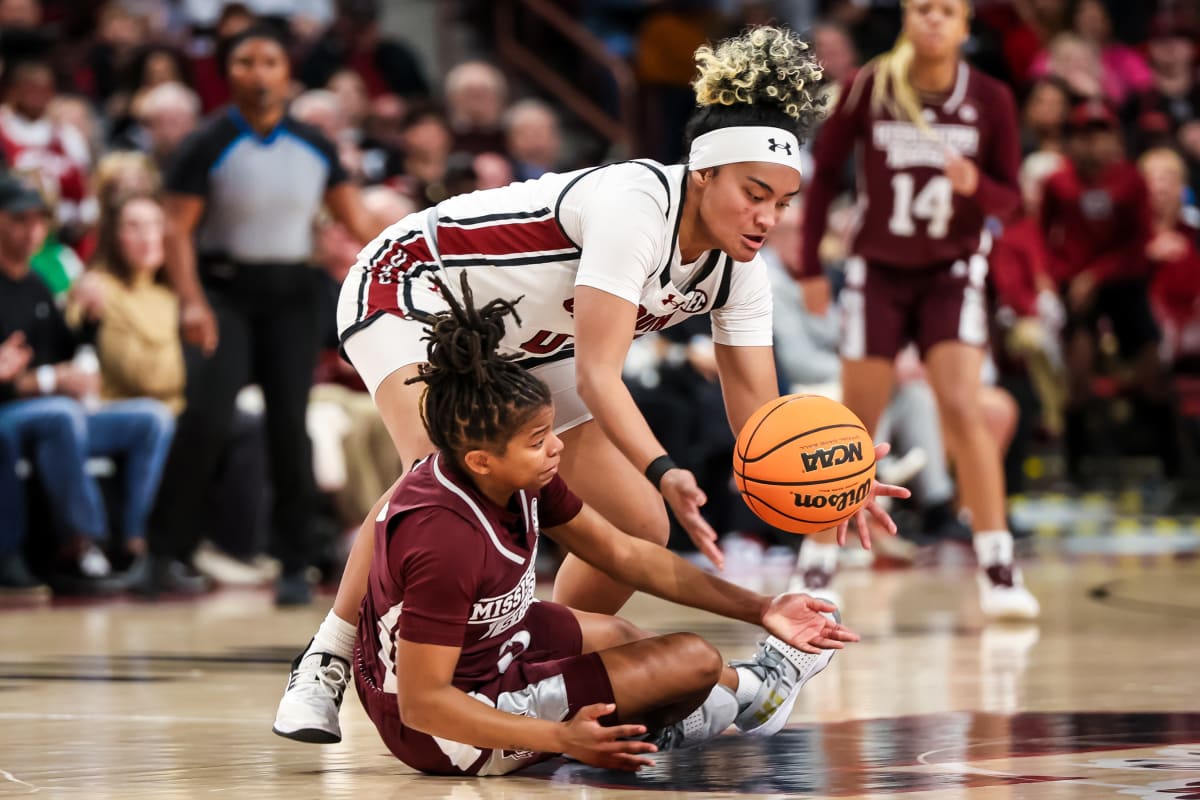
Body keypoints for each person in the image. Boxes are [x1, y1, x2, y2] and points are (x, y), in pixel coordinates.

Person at [273, 25, 908, 744]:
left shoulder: (741, 271)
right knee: (434, 469)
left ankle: (530, 660)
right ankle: (324, 658)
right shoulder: (638, 204)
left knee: (639, 523)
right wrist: (663, 467)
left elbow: (760, 419)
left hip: (529, 339)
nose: (767, 217)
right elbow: (597, 373)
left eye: (783, 204)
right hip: (421, 282)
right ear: (703, 175)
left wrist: (830, 477)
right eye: (754, 194)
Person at [353, 273, 859, 773]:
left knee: (621, 635)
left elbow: (624, 554)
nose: (556, 446)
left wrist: (763, 608)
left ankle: (750, 693)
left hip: (486, 653)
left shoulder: (515, 475)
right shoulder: (444, 540)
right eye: (537, 439)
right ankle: (694, 712)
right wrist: (560, 737)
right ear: (481, 459)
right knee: (694, 661)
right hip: (442, 731)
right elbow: (422, 706)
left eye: (549, 430)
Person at [794, 0, 1039, 620]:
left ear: (965, 26)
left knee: (961, 405)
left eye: (947, 11)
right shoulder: (870, 85)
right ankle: (817, 560)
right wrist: (808, 265)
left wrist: (975, 188)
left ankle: (998, 565)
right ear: (907, 18)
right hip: (877, 271)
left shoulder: (991, 98)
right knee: (858, 418)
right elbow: (823, 176)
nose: (933, 19)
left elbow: (1010, 200)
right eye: (922, 9)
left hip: (951, 272)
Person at [144, 25, 378, 603]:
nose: (258, 71)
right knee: (207, 418)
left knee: (288, 427)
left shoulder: (315, 145)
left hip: (293, 294)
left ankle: (295, 562)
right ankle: (164, 554)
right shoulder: (208, 141)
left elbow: (359, 222)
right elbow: (176, 231)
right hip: (225, 293)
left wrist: (426, 244)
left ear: (286, 72)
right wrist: (193, 302)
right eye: (245, 61)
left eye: (269, 60)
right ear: (229, 74)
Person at [0, 173, 173, 594]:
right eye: (20, 220)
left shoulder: (37, 285)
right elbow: (34, 376)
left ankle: (133, 545)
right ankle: (83, 544)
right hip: (11, 412)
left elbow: (65, 348)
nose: (32, 230)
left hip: (52, 411)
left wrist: (90, 319)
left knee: (152, 417)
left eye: (39, 221)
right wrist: (42, 380)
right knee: (61, 413)